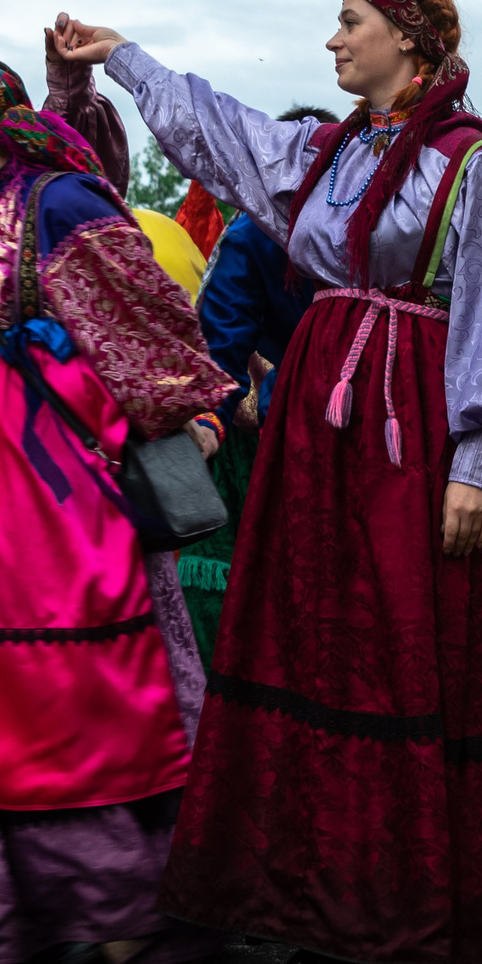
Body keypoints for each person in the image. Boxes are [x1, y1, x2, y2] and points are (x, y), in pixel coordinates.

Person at [62, 0, 482, 964]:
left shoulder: (475, 164)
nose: (333, 39)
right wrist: (122, 59)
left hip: (417, 423)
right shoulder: (328, 153)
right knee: (318, 640)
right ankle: (321, 900)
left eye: (350, 21)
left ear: (410, 38)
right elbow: (216, 129)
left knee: (407, 639)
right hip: (322, 426)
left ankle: (411, 909)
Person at [0, 52, 226, 964]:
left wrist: (185, 415)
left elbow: (150, 323)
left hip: (48, 481)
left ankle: (118, 907)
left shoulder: (60, 203)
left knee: (70, 680)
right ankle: (6, 916)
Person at [176, 106, 328, 662]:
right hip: (281, 427)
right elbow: (220, 343)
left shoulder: (382, 225)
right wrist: (211, 417)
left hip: (316, 421)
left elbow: (217, 343)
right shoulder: (254, 234)